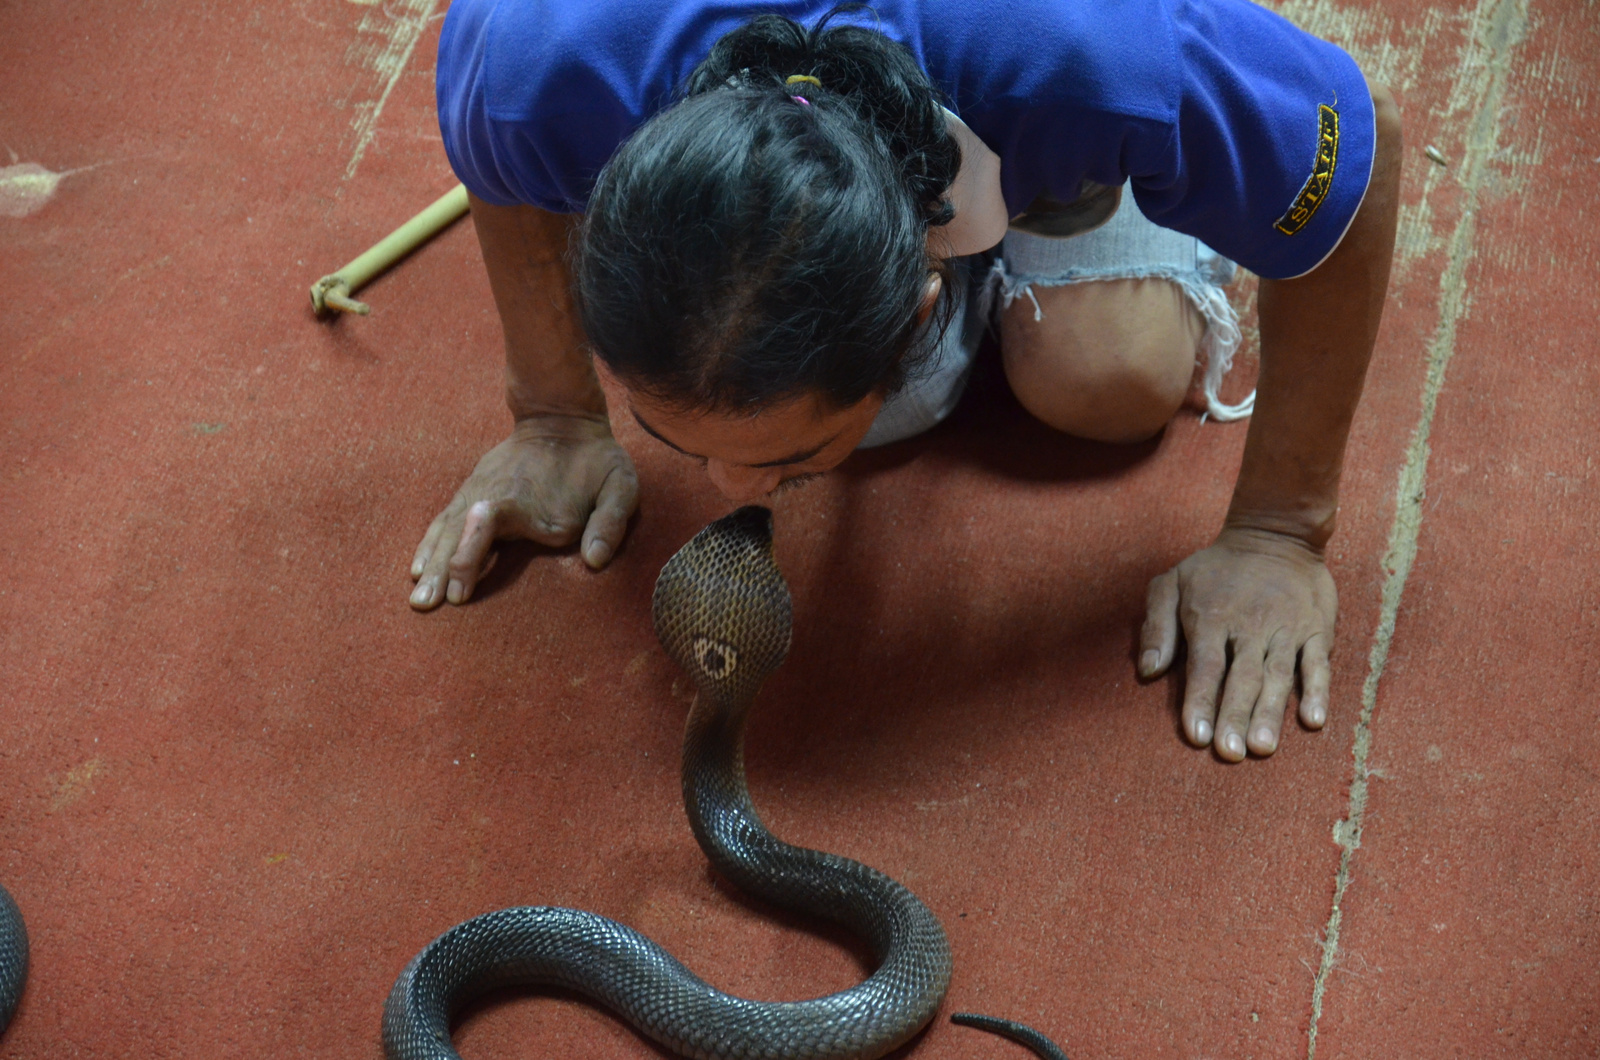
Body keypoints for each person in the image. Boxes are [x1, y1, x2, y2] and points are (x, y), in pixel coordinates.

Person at [409, 0, 1402, 763]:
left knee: (1106, 379)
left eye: (782, 463)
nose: (726, 491)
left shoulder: (1097, 59)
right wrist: (554, 413)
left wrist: (1282, 529)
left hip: (1031, 88)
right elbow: (501, 165)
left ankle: (1073, 201)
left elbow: (1360, 153)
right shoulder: (537, 69)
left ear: (922, 301)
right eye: (671, 439)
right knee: (850, 403)